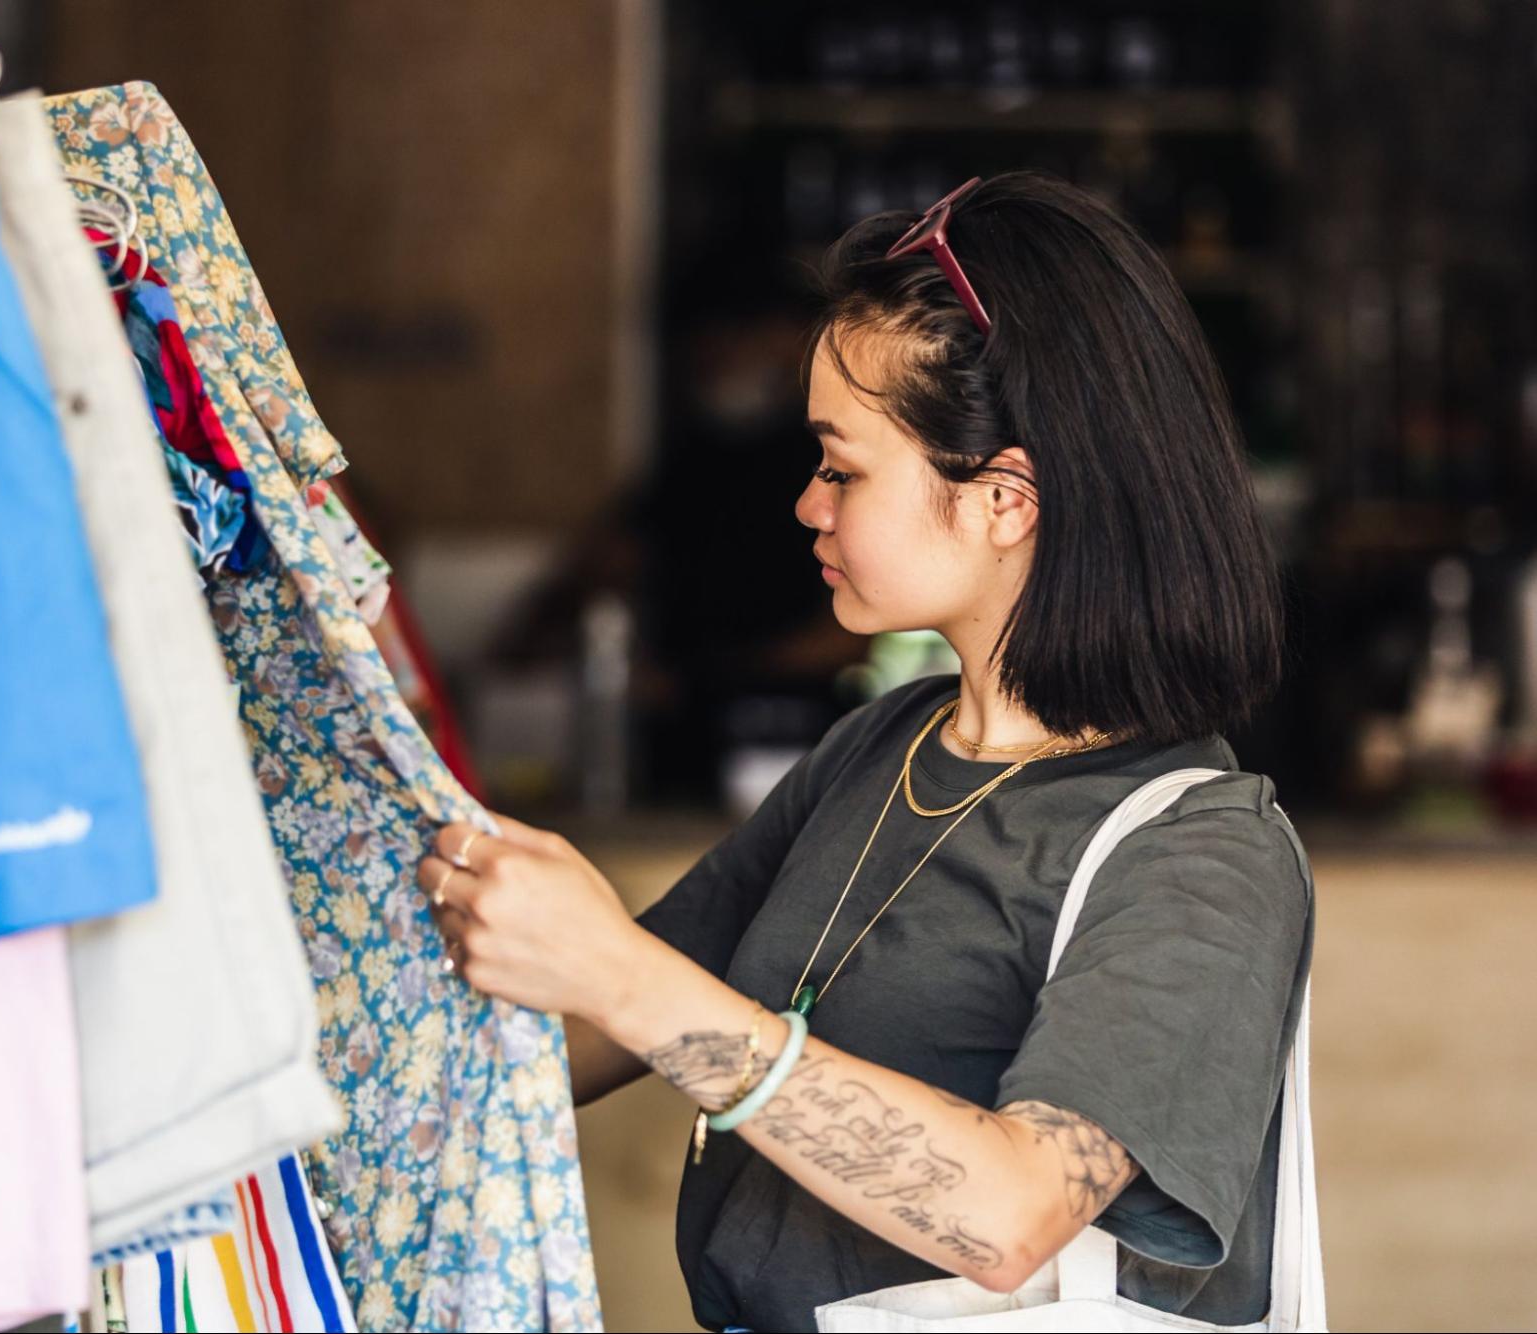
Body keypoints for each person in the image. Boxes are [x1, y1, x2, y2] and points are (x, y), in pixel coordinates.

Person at [417, 173, 1311, 1333]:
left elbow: (1009, 1211)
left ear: (1002, 499)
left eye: (842, 466)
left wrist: (617, 975)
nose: (806, 502)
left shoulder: (1201, 849)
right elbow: (590, 1026)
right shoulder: (879, 745)